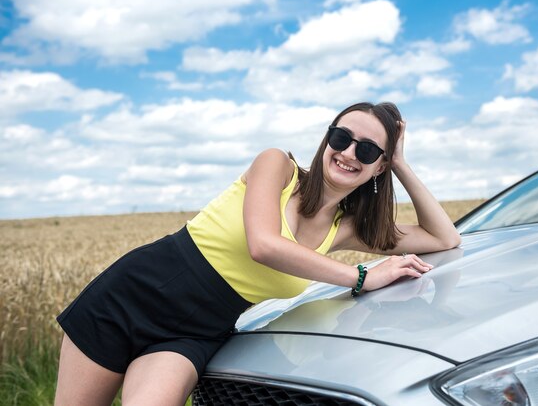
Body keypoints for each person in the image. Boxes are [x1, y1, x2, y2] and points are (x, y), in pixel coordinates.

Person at [54, 101, 461, 406]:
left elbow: (443, 238)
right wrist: (361, 277)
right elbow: (263, 245)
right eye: (342, 138)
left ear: (379, 167)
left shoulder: (345, 229)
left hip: (195, 332)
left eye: (369, 150)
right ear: (327, 141)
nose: (350, 153)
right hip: (133, 297)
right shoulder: (277, 166)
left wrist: (402, 165)